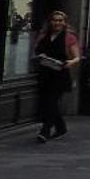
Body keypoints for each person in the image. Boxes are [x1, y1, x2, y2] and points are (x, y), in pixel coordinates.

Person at [31, 10, 82, 143]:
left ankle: (45, 131)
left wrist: (70, 62)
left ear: (64, 23)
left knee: (51, 101)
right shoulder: (43, 35)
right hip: (45, 73)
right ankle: (61, 127)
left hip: (59, 73)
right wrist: (39, 56)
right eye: (54, 20)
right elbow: (36, 51)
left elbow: (77, 57)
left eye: (60, 20)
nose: (57, 23)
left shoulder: (69, 37)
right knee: (48, 102)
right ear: (50, 22)